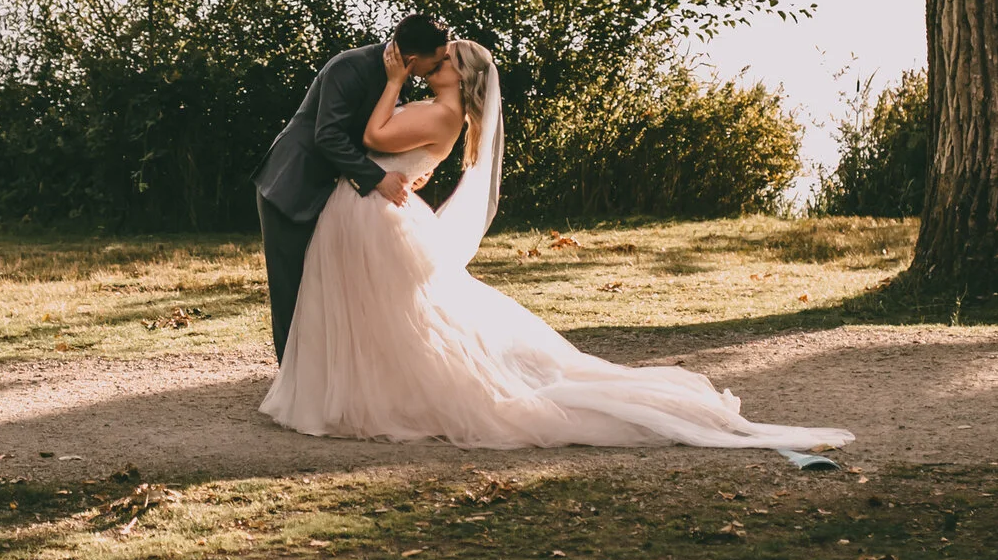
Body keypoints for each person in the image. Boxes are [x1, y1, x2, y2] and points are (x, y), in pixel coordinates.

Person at [260, 33, 854, 453]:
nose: (438, 59)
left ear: (457, 75)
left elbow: (369, 135)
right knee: (385, 318)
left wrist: (390, 83)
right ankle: (346, 389)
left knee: (396, 320)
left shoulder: (439, 115)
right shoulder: (439, 111)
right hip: (371, 212)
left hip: (374, 213)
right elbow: (382, 142)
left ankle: (361, 395)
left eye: (448, 57)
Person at [252, 14, 452, 361]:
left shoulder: (399, 78)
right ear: (415, 60)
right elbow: (328, 136)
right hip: (293, 187)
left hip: (339, 195)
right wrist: (378, 178)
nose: (435, 71)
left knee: (329, 289)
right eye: (435, 63)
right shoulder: (349, 67)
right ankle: (291, 381)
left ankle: (324, 377)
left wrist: (406, 171)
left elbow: (380, 139)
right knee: (293, 292)